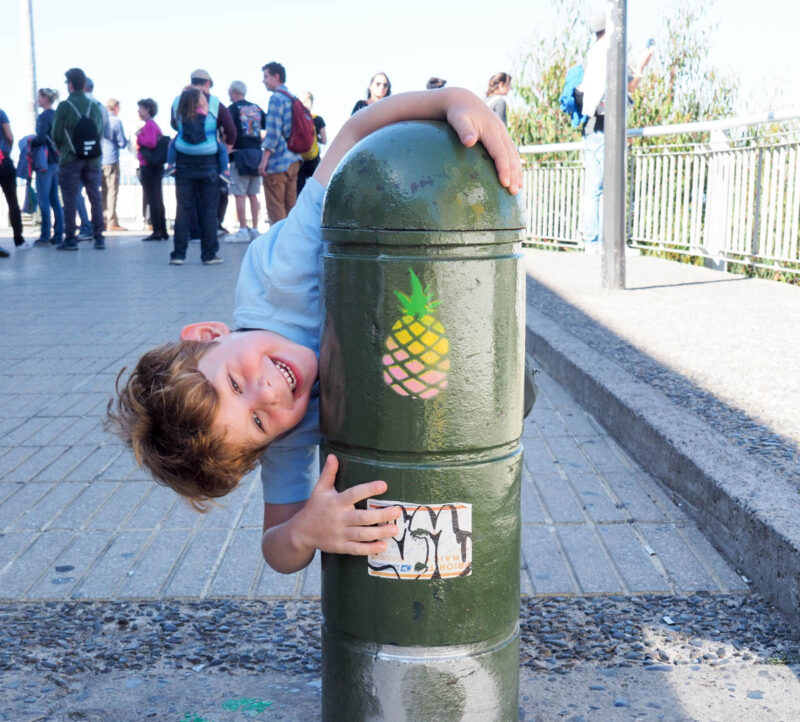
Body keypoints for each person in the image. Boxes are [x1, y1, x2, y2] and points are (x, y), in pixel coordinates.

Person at [107, 87, 521, 574]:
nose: (266, 394)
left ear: (207, 335)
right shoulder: (286, 436)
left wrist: (451, 101)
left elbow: (353, 132)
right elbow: (275, 548)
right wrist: (305, 530)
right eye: (258, 421)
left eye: (235, 384)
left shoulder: (283, 272)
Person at [578, 11, 654, 253]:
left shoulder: (593, 53)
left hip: (593, 126)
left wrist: (641, 65)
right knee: (606, 188)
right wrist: (643, 62)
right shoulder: (608, 52)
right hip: (605, 128)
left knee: (595, 188)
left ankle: (594, 243)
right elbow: (626, 86)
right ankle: (605, 244)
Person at [169, 69, 237, 266]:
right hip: (209, 162)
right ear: (207, 83)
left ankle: (178, 254)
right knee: (209, 209)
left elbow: (174, 125)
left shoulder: (177, 101)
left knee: (183, 208)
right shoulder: (215, 103)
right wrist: (224, 150)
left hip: (183, 161)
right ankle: (209, 254)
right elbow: (231, 131)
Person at [51, 67, 106, 250]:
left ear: (71, 85)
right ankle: (99, 237)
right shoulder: (95, 106)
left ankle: (71, 239)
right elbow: (99, 131)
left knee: (70, 198)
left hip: (70, 158)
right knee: (95, 196)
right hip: (92, 159)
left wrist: (62, 149)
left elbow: (56, 133)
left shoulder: (65, 106)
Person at [258, 62, 301, 226]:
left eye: (266, 77)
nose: (264, 81)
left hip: (278, 162)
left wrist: (264, 161)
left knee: (276, 212)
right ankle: (293, 247)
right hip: (294, 159)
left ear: (277, 77)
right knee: (291, 209)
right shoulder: (292, 97)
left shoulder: (276, 98)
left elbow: (273, 133)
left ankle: (278, 249)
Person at [223, 81, 267, 243]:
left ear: (234, 92)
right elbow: (266, 125)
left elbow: (227, 130)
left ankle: (242, 229)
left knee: (239, 194)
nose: (228, 94)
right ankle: (255, 229)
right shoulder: (256, 108)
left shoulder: (233, 109)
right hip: (256, 155)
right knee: (253, 194)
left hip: (239, 155)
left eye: (229, 91)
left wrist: (228, 148)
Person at [30, 88, 64, 247]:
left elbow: (41, 138)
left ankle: (45, 234)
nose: (37, 99)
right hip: (57, 160)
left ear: (45, 98)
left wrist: (30, 141)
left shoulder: (43, 117)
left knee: (43, 198)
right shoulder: (57, 114)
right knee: (55, 199)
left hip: (45, 162)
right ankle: (58, 234)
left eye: (39, 97)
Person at [135, 98, 168, 242]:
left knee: (152, 198)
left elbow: (150, 142)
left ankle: (157, 230)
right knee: (157, 198)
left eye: (140, 108)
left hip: (148, 166)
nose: (138, 111)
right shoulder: (153, 125)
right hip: (155, 167)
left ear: (147, 110)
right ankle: (162, 230)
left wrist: (139, 136)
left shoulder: (148, 125)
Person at [0, 108, 26, 251]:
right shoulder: (1, 113)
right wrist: (6, 150)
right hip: (2, 160)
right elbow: (9, 137)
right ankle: (19, 240)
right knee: (12, 201)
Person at [101, 98, 129, 232]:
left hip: (99, 160)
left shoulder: (100, 120)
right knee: (112, 192)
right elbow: (122, 142)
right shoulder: (116, 121)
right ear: (116, 107)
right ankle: (112, 221)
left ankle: (102, 219)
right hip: (111, 159)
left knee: (102, 192)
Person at [296, 91, 326, 196]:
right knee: (318, 188)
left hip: (299, 159)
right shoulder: (317, 119)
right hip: (314, 158)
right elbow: (324, 140)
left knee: (298, 191)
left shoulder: (296, 119)